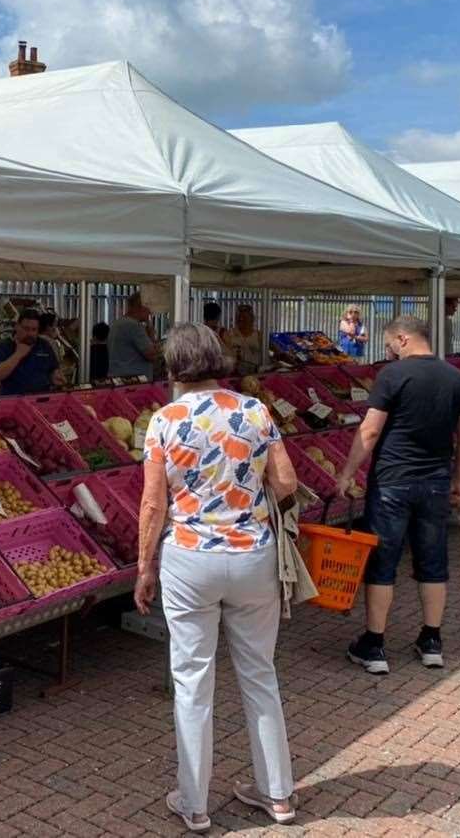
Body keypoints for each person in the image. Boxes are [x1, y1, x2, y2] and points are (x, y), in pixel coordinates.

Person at [135, 323, 299, 831]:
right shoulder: (255, 411)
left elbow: (153, 503)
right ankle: (278, 796)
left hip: (189, 558)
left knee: (192, 681)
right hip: (253, 555)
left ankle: (195, 802)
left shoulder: (164, 421)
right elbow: (287, 482)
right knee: (260, 674)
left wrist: (145, 567)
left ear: (173, 366)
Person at [334, 315, 460, 675]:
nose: (388, 351)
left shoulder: (393, 376)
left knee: (384, 560)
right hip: (435, 481)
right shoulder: (458, 379)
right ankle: (431, 640)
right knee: (433, 560)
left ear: (402, 339)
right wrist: (459, 479)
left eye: (388, 345)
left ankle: (375, 644)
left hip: (392, 480)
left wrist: (348, 472)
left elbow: (369, 431)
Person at [0, 311, 62, 395]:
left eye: (34, 330)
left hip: (41, 399)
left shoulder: (44, 345)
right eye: (26, 329)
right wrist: (18, 355)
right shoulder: (4, 347)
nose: (30, 333)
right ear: (17, 327)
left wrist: (55, 376)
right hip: (12, 400)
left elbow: (54, 369)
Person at [107, 292, 159, 379]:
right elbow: (152, 355)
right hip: (134, 381)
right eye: (149, 308)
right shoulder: (134, 326)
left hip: (118, 376)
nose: (150, 312)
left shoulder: (117, 323)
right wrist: (151, 333)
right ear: (141, 307)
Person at [222, 303, 264, 377]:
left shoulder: (259, 335)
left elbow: (275, 351)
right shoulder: (228, 334)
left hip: (256, 374)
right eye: (238, 317)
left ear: (252, 319)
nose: (241, 319)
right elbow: (225, 355)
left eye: (244, 317)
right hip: (234, 375)